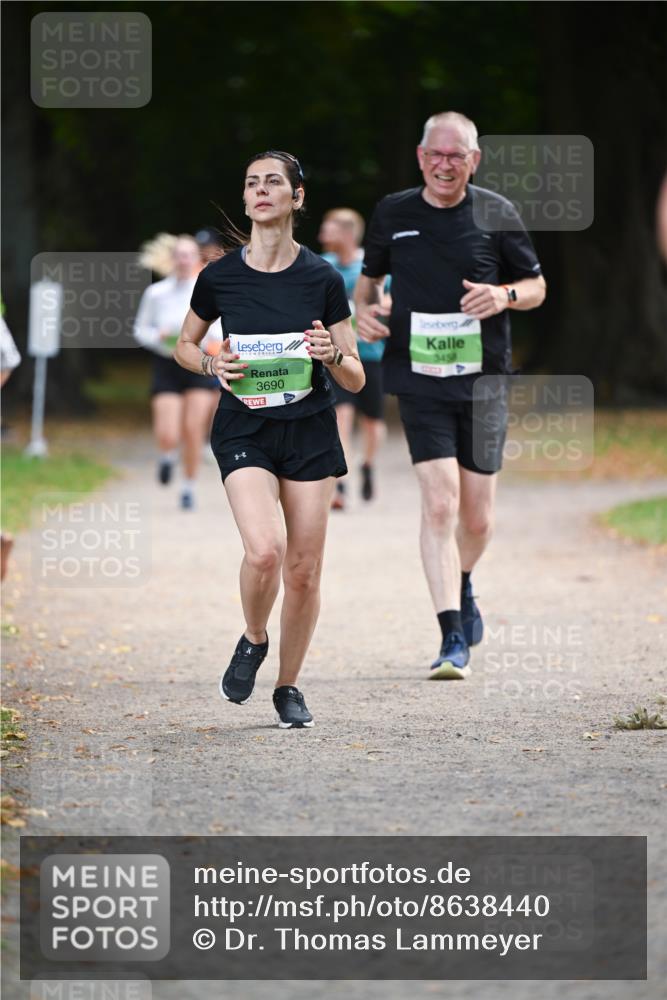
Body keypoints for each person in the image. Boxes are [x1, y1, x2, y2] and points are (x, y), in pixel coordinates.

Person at [174, 151, 364, 728]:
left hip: (309, 430)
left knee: (304, 570)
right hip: (245, 427)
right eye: (252, 182)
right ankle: (253, 637)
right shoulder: (220, 275)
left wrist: (333, 356)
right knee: (265, 551)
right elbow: (185, 344)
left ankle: (288, 686)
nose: (261, 190)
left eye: (273, 182)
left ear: (296, 197)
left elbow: (355, 371)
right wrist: (211, 366)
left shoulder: (322, 278)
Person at [355, 111, 546, 680]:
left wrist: (504, 294)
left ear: (474, 160)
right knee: (440, 503)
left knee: (478, 518)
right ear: (420, 157)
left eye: (455, 155)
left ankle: (462, 583)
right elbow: (368, 284)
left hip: (483, 379)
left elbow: (537, 287)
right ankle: (450, 637)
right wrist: (363, 311)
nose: (444, 164)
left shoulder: (497, 212)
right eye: (435, 155)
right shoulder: (393, 213)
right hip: (417, 376)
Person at [134, 234, 222, 509]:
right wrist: (157, 336)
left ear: (197, 259)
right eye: (179, 255)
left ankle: (188, 487)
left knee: (193, 428)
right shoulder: (156, 293)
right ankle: (168, 455)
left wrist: (209, 341)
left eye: (189, 255)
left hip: (199, 363)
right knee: (168, 431)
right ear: (172, 259)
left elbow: (219, 328)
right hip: (167, 364)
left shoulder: (207, 289)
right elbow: (140, 329)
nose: (184, 260)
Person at [318, 208, 387, 510]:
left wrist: (372, 308)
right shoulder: (324, 265)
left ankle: (368, 464)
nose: (322, 233)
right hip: (337, 357)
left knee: (373, 423)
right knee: (340, 418)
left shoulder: (370, 266)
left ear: (347, 233)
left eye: (328, 228)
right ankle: (341, 485)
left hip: (370, 355)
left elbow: (390, 299)